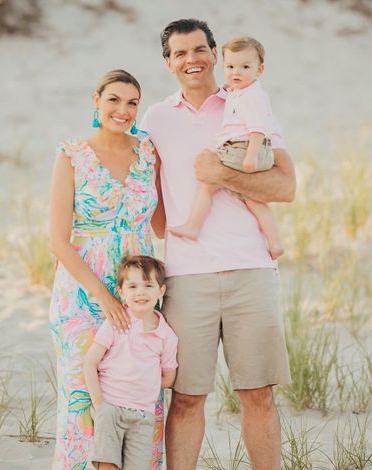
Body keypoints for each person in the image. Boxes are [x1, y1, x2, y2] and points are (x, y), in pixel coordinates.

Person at [140, 19, 295, 470]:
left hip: (252, 269)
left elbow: (286, 186)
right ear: (168, 63)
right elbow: (155, 208)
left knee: (258, 394)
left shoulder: (248, 102)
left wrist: (221, 175)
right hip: (187, 278)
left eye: (199, 50)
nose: (192, 60)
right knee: (186, 398)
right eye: (180, 53)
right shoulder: (156, 118)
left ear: (214, 52)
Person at [48, 69, 166, 469]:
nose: (123, 110)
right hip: (84, 294)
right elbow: (58, 241)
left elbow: (164, 222)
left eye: (132, 102)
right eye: (114, 99)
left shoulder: (147, 152)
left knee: (139, 393)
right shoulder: (72, 156)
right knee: (85, 395)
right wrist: (101, 294)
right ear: (96, 100)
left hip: (139, 293)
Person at [169, 36, 284, 260]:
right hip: (247, 149)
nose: (235, 73)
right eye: (230, 67)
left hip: (244, 149)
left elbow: (257, 128)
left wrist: (250, 156)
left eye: (244, 67)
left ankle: (193, 226)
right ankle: (275, 242)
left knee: (208, 183)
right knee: (253, 199)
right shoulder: (240, 91)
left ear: (259, 70)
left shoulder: (252, 96)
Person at [83, 255, 178, 470]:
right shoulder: (116, 323)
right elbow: (90, 362)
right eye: (132, 286)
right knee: (107, 465)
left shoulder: (167, 336)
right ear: (122, 292)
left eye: (148, 285)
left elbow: (168, 378)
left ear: (161, 291)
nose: (140, 292)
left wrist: (143, 379)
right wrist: (100, 406)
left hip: (142, 415)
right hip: (110, 408)